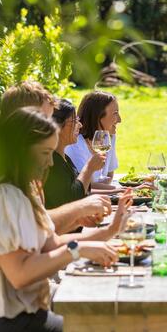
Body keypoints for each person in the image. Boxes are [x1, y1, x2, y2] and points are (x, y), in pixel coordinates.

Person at [0, 107, 134, 332]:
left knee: (111, 320)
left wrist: (110, 231)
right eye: (45, 153)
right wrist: (77, 252)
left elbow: (52, 243)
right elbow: (20, 273)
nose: (50, 162)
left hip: (21, 312)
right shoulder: (1, 197)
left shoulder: (22, 190)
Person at [44, 99, 111, 233]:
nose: (80, 125)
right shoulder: (51, 162)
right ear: (56, 127)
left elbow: (79, 193)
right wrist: (89, 168)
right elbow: (71, 199)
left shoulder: (64, 158)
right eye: (74, 121)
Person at [66, 91, 124, 191]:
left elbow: (109, 173)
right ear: (98, 116)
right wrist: (121, 190)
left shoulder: (108, 137)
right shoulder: (76, 144)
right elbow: (83, 185)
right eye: (115, 113)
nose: (119, 120)